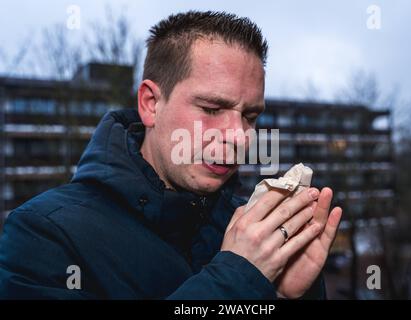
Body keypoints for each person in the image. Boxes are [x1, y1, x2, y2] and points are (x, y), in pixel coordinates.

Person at [0, 11, 342, 299]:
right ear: (151, 104)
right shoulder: (44, 232)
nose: (239, 136)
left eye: (250, 116)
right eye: (211, 108)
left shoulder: (256, 230)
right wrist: (237, 279)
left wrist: (280, 294)